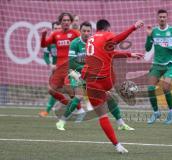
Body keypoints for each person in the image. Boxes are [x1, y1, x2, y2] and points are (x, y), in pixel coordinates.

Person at [56, 21, 135, 131]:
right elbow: (72, 63)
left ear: (92, 32)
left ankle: (121, 123)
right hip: (77, 73)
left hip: (92, 75)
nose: (86, 33)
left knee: (110, 97)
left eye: (88, 31)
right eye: (84, 31)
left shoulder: (94, 42)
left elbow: (111, 53)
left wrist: (129, 54)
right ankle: (61, 121)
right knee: (79, 96)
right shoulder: (75, 43)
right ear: (80, 31)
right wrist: (87, 68)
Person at [82, 19, 143, 153]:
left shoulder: (90, 40)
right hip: (104, 81)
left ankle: (117, 144)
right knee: (111, 89)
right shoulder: (106, 35)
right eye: (110, 30)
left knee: (103, 114)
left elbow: (111, 53)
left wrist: (129, 54)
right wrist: (133, 27)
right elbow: (117, 39)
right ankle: (123, 91)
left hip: (91, 83)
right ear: (106, 29)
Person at [41, 12, 80, 108]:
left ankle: (79, 108)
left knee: (68, 86)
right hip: (59, 68)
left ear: (70, 22)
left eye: (68, 20)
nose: (66, 22)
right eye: (64, 20)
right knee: (51, 90)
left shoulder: (75, 33)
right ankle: (73, 106)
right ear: (60, 22)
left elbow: (83, 43)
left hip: (70, 67)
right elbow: (44, 44)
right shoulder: (55, 34)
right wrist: (43, 35)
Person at [39, 21, 61, 117]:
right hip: (56, 69)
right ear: (52, 30)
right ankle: (47, 111)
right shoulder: (49, 41)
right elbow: (45, 56)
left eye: (59, 28)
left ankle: (81, 108)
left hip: (68, 67)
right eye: (55, 28)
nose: (57, 30)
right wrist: (51, 65)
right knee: (54, 90)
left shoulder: (66, 40)